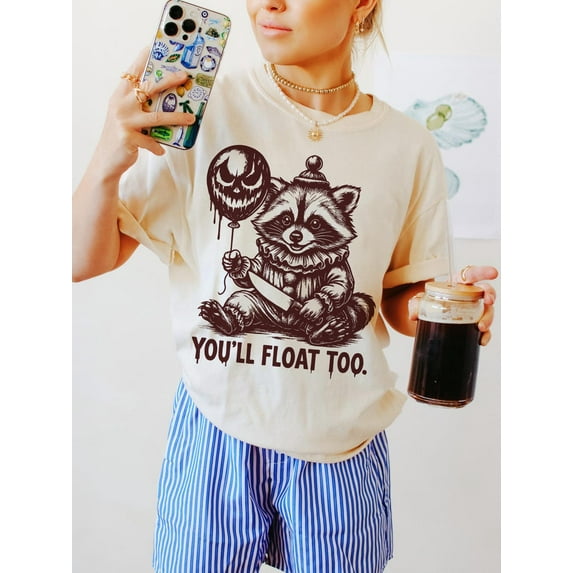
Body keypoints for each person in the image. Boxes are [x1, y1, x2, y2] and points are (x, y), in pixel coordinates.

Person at [73, 0, 498, 571]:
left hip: (341, 441)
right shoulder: (201, 112)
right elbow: (80, 259)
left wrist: (443, 308)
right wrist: (109, 153)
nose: (268, 4)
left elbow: (398, 297)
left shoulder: (407, 146)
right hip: (217, 429)